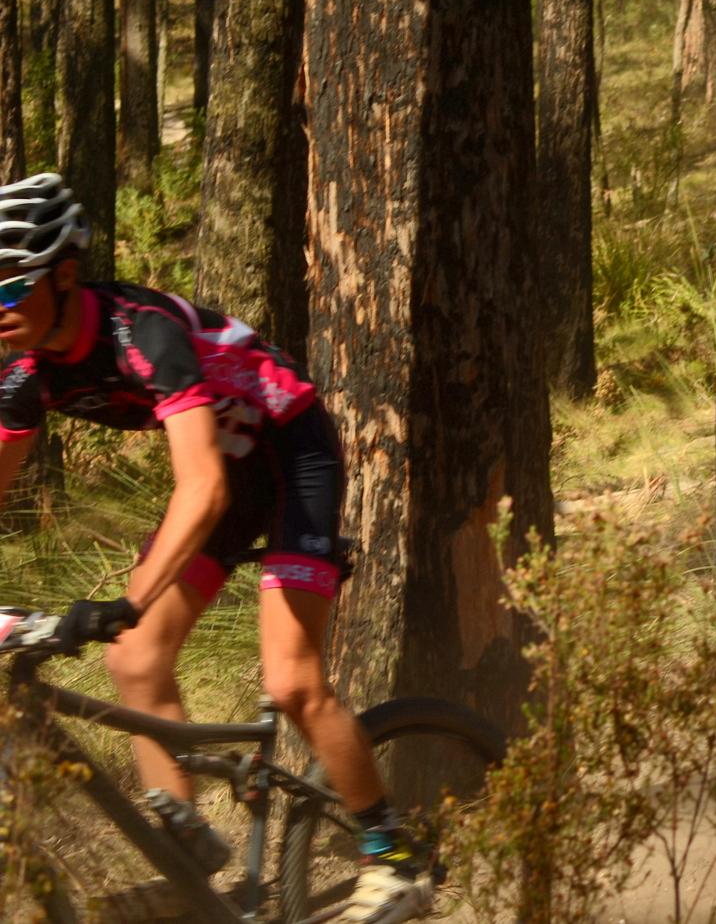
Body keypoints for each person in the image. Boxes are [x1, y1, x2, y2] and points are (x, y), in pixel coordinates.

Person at [0, 174, 429, 923]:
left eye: (10, 292)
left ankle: (393, 858)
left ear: (64, 275)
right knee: (135, 660)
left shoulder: (142, 333)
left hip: (291, 453)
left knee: (293, 681)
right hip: (229, 464)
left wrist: (128, 602)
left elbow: (202, 490)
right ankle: (187, 851)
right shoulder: (25, 372)